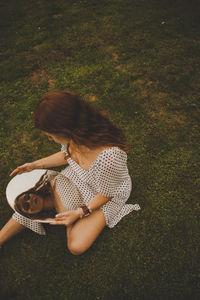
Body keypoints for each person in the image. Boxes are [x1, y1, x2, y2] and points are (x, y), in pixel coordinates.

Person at [0, 90, 140, 255]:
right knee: (29, 203)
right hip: (78, 175)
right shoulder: (76, 135)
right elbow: (67, 155)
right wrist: (35, 165)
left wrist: (80, 212)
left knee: (76, 246)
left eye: (50, 136)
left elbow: (107, 193)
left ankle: (64, 215)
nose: (49, 139)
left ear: (64, 129)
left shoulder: (109, 157)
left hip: (106, 194)